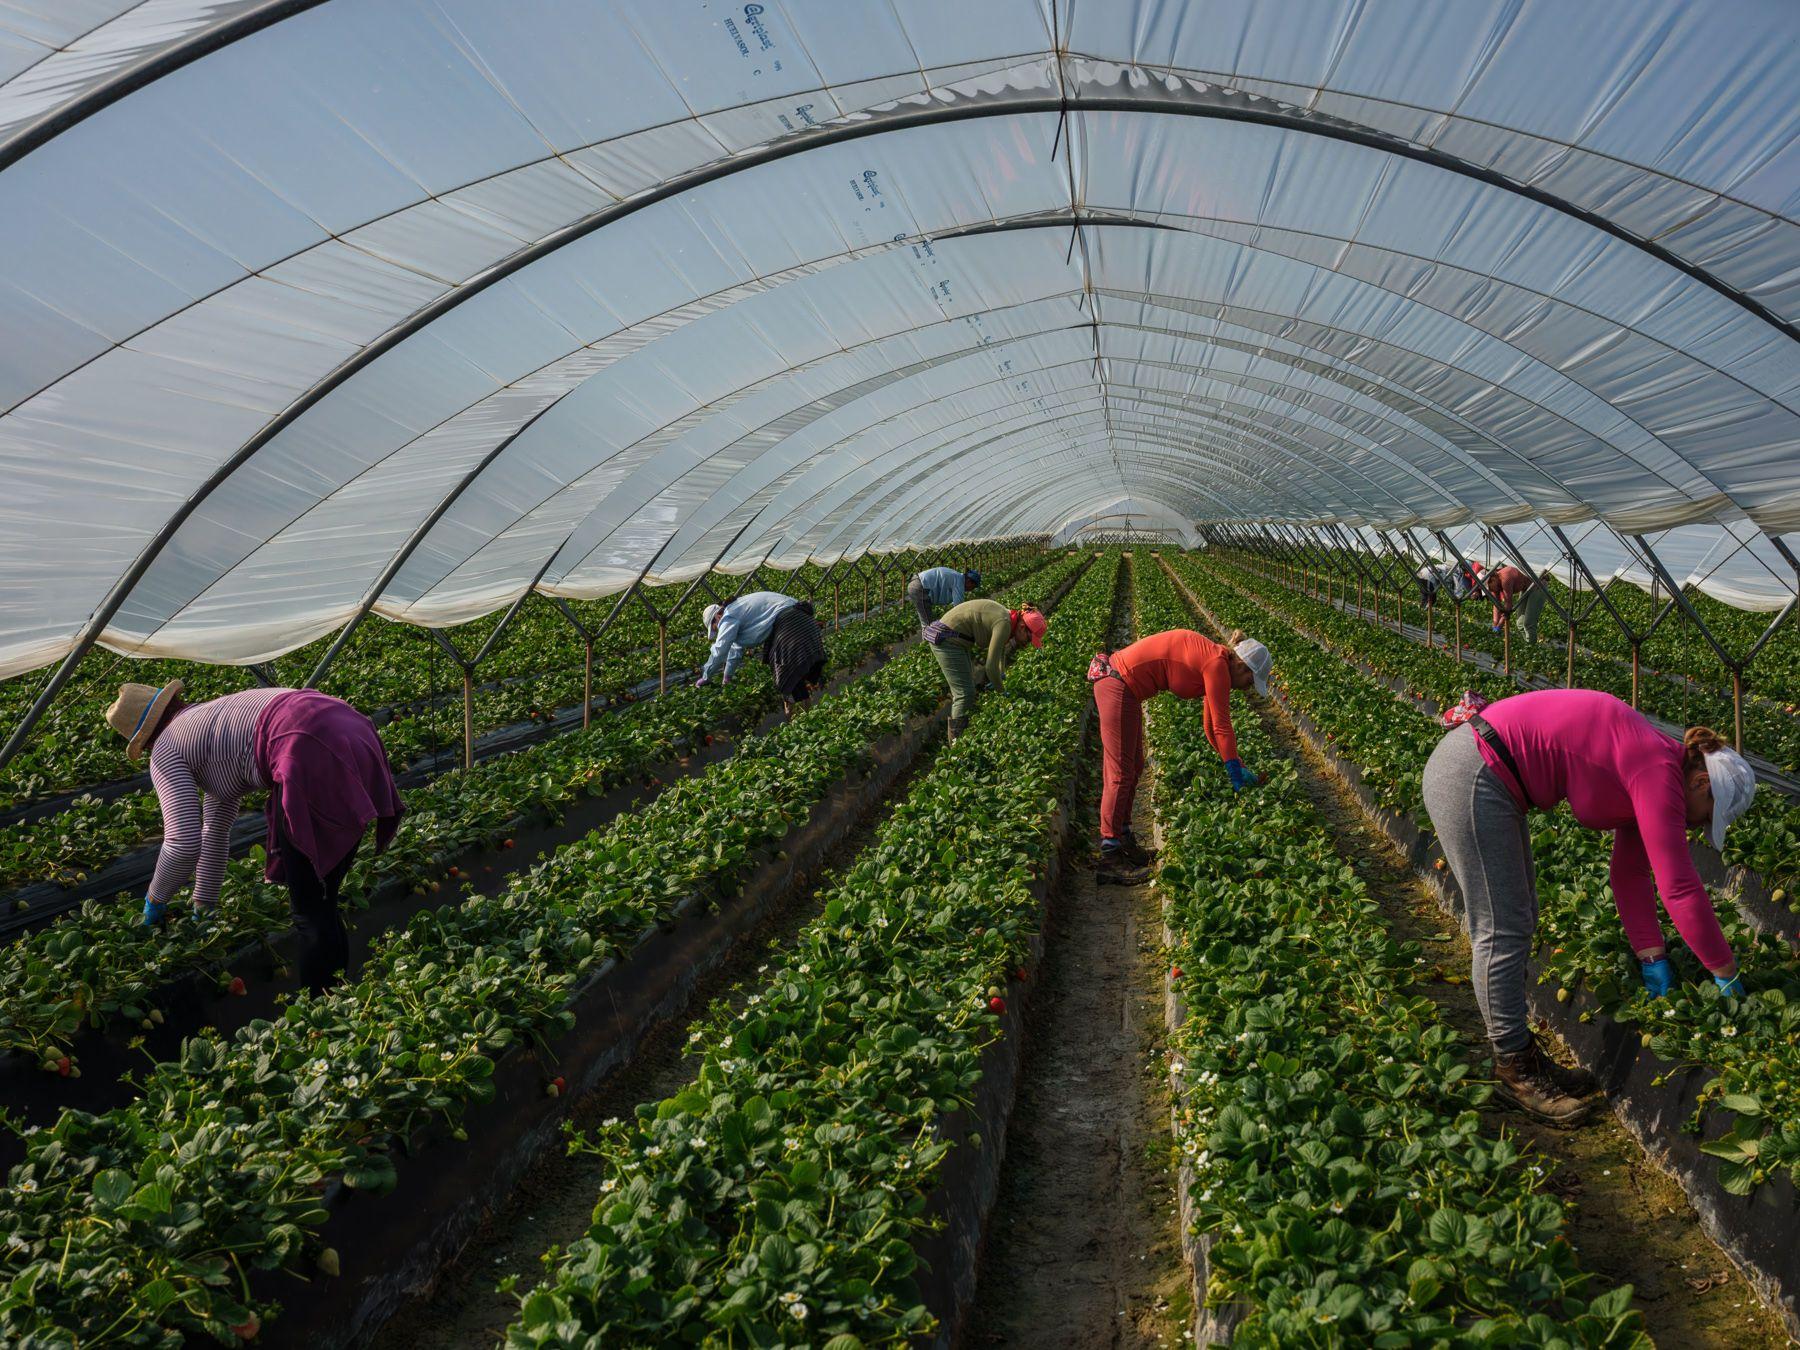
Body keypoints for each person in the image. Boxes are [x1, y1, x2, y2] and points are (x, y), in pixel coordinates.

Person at [1421, 690, 1756, 1126]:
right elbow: (1679, 888)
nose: (1698, 827)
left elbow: (1630, 875)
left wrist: (1652, 957)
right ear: (1700, 783)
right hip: (1473, 772)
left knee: (1519, 918)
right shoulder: (1657, 770)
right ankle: (1512, 1066)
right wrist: (1726, 972)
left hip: (1488, 772)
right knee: (1501, 928)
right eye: (1707, 815)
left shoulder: (1652, 767)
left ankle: (1521, 1053)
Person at [107, 680, 403, 994]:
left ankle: (324, 1009)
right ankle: (340, 996)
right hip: (348, 723)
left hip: (305, 744)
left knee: (311, 910)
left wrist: (155, 900)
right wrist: (203, 906)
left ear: (144, 738)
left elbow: (183, 842)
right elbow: (214, 831)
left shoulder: (167, 748)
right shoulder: (208, 728)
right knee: (324, 900)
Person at [1089, 628, 1272, 885]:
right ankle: (1109, 855)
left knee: (1134, 766)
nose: (1247, 689)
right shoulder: (1216, 665)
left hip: (1125, 688)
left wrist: (1237, 766)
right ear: (1243, 668)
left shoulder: (1217, 662)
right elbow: (1222, 727)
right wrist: (1234, 774)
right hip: (1117, 682)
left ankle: (1124, 837)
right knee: (1119, 773)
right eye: (1251, 682)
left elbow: (1211, 729)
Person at [923, 599, 1045, 740]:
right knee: (964, 693)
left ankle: (964, 733)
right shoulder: (1004, 623)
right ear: (1023, 627)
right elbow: (990, 667)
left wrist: (1002, 672)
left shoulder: (1009, 619)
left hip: (957, 640)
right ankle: (956, 743)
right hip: (947, 639)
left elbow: (1000, 650)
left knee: (968, 688)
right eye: (1029, 639)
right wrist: (1002, 692)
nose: (1027, 644)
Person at [698, 591, 827, 713]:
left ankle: (796, 718)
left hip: (789, 625)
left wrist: (706, 674)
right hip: (806, 621)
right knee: (798, 672)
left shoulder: (728, 616)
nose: (718, 631)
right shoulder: (738, 609)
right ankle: (808, 714)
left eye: (715, 628)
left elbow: (720, 650)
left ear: (717, 616)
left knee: (784, 673)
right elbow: (735, 651)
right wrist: (727, 677)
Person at [907, 565, 981, 630]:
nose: (971, 590)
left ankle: (929, 640)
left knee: (927, 618)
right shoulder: (959, 582)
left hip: (917, 583)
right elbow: (959, 607)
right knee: (927, 622)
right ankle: (927, 642)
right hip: (920, 586)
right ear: (969, 581)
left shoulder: (957, 577)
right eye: (973, 587)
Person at [1486, 564, 1541, 640]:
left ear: (1493, 579)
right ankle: (1528, 644)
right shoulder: (1495, 585)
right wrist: (1495, 623)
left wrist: (1499, 626)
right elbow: (1496, 604)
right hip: (1526, 589)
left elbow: (1508, 605)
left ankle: (1533, 645)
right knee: (1520, 624)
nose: (1490, 590)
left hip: (1537, 586)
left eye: (1489, 587)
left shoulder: (1505, 578)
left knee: (1528, 623)